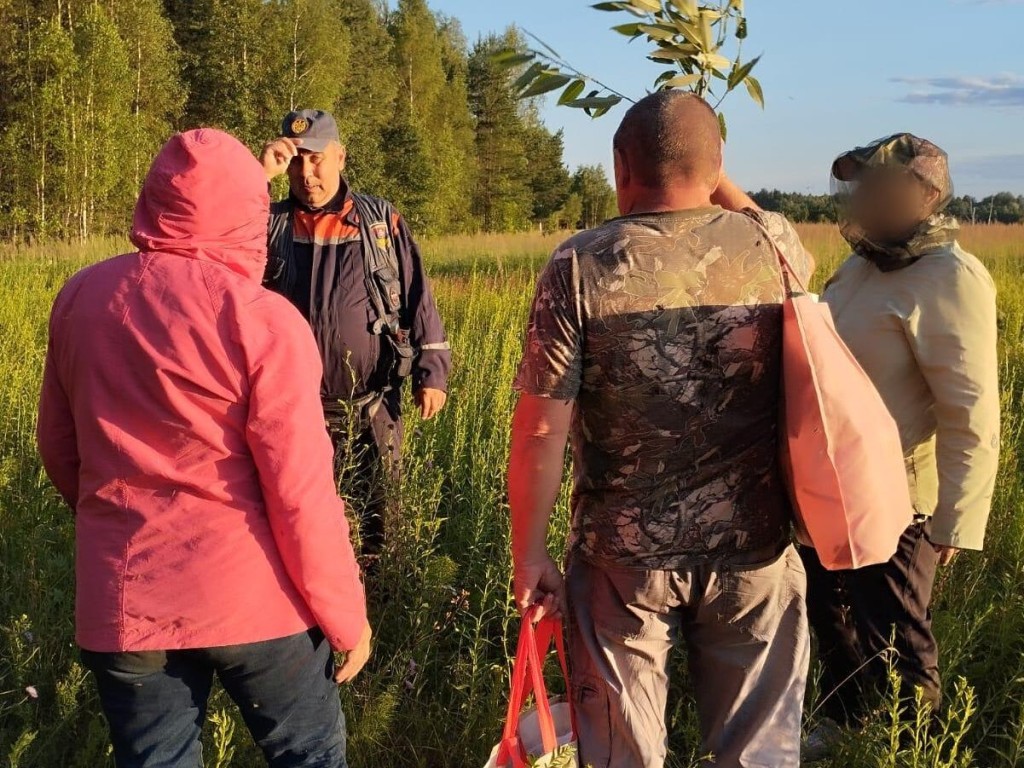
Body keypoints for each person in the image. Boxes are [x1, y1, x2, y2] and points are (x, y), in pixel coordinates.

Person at [37, 128, 370, 768]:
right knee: (309, 754)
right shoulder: (265, 318)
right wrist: (345, 615)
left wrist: (116, 526)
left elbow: (59, 447)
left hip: (127, 598)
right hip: (257, 598)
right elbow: (299, 492)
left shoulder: (81, 297)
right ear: (250, 209)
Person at [508, 90, 815, 768]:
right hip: (755, 548)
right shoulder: (774, 244)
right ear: (719, 165)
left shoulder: (580, 264)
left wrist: (530, 557)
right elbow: (747, 208)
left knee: (624, 750)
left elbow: (540, 431)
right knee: (759, 750)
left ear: (620, 165)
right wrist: (710, 167)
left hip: (623, 560)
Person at [801, 134, 1000, 733]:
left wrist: (955, 522)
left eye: (880, 186)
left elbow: (972, 411)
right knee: (830, 616)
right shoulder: (862, 264)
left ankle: (906, 746)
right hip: (827, 488)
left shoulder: (950, 277)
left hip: (895, 503)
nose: (864, 199)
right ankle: (844, 730)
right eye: (860, 186)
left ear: (926, 194)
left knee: (895, 641)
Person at [260, 109, 451, 560]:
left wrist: (433, 372)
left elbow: (417, 295)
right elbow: (209, 242)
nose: (307, 173)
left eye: (316, 159)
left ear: (340, 156)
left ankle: (381, 610)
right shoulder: (265, 225)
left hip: (373, 405)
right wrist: (255, 179)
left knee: (380, 523)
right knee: (300, 529)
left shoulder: (379, 222)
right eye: (295, 161)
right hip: (294, 413)